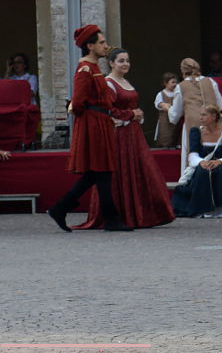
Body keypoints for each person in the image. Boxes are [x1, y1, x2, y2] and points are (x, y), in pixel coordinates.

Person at [74, 49, 175, 229]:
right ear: (111, 63)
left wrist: (137, 115)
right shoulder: (108, 83)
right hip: (119, 135)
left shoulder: (125, 82)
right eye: (121, 61)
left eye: (127, 60)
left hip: (133, 134)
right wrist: (130, 114)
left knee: (140, 171)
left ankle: (143, 213)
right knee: (121, 173)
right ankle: (121, 215)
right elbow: (108, 110)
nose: (125, 64)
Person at [46, 25, 132, 232]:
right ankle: (110, 219)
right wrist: (94, 119)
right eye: (101, 42)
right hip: (93, 124)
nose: (105, 46)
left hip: (100, 122)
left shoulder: (94, 68)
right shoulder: (85, 69)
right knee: (101, 172)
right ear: (90, 45)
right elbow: (77, 103)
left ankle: (61, 208)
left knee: (98, 174)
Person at [171, 104, 222, 218]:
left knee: (220, 171)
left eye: (204, 115)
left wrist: (219, 162)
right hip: (202, 164)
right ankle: (201, 208)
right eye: (200, 115)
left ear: (213, 116)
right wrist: (201, 162)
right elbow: (193, 155)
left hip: (221, 165)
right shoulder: (196, 132)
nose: (200, 117)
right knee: (202, 172)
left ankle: (221, 207)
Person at [168, 58, 222, 173]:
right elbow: (220, 105)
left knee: (193, 153)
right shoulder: (210, 82)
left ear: (183, 71)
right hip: (214, 124)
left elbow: (175, 115)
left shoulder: (181, 86)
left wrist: (167, 108)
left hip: (193, 125)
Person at [153, 72, 178, 148]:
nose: (175, 84)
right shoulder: (161, 94)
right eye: (172, 82)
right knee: (165, 137)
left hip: (175, 121)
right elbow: (158, 103)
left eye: (176, 82)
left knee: (176, 136)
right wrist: (163, 105)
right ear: (165, 83)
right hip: (165, 121)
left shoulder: (177, 93)